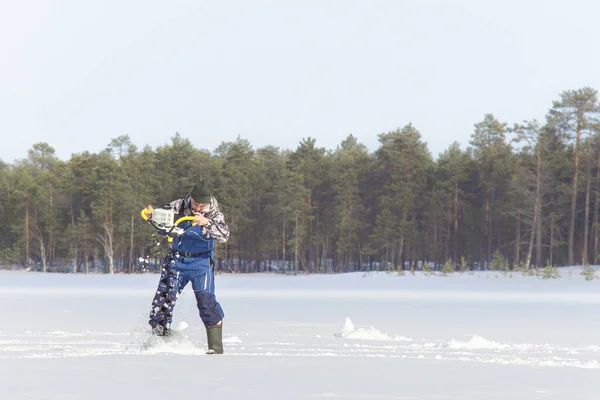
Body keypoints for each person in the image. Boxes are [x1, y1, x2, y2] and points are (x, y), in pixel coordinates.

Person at [142, 179, 230, 354]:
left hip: (201, 263)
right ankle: (160, 342)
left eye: (201, 205)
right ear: (191, 197)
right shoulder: (178, 206)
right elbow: (161, 222)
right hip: (176, 260)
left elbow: (224, 235)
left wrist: (206, 223)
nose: (197, 208)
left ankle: (215, 349)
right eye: (195, 203)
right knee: (164, 301)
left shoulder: (214, 214)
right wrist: (151, 215)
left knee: (206, 302)